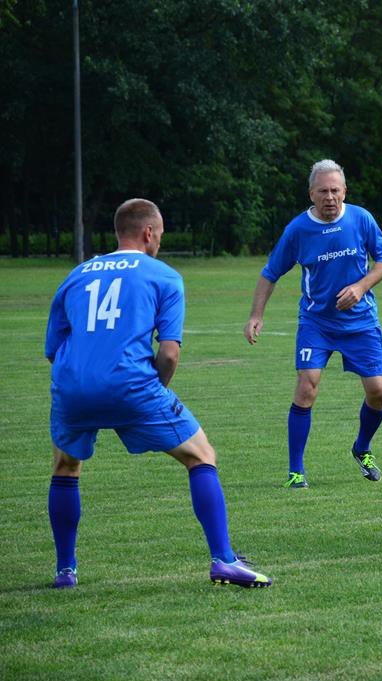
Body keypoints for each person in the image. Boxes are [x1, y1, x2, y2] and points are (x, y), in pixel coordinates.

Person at [45, 199, 272, 588]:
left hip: (72, 388)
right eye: (161, 235)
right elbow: (169, 353)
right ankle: (223, 559)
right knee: (201, 455)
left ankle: (66, 570)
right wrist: (152, 395)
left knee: (65, 468)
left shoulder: (76, 275)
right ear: (149, 233)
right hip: (134, 387)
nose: (160, 243)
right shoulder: (163, 276)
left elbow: (53, 348)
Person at [245, 160, 382, 488]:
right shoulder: (298, 229)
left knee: (379, 393)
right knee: (307, 386)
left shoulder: (361, 219)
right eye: (323, 191)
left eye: (335, 190)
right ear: (311, 193)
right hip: (317, 323)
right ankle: (296, 471)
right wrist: (256, 314)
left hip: (361, 322)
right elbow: (270, 273)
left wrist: (361, 287)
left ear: (345, 192)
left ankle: (362, 447)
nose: (330, 197)